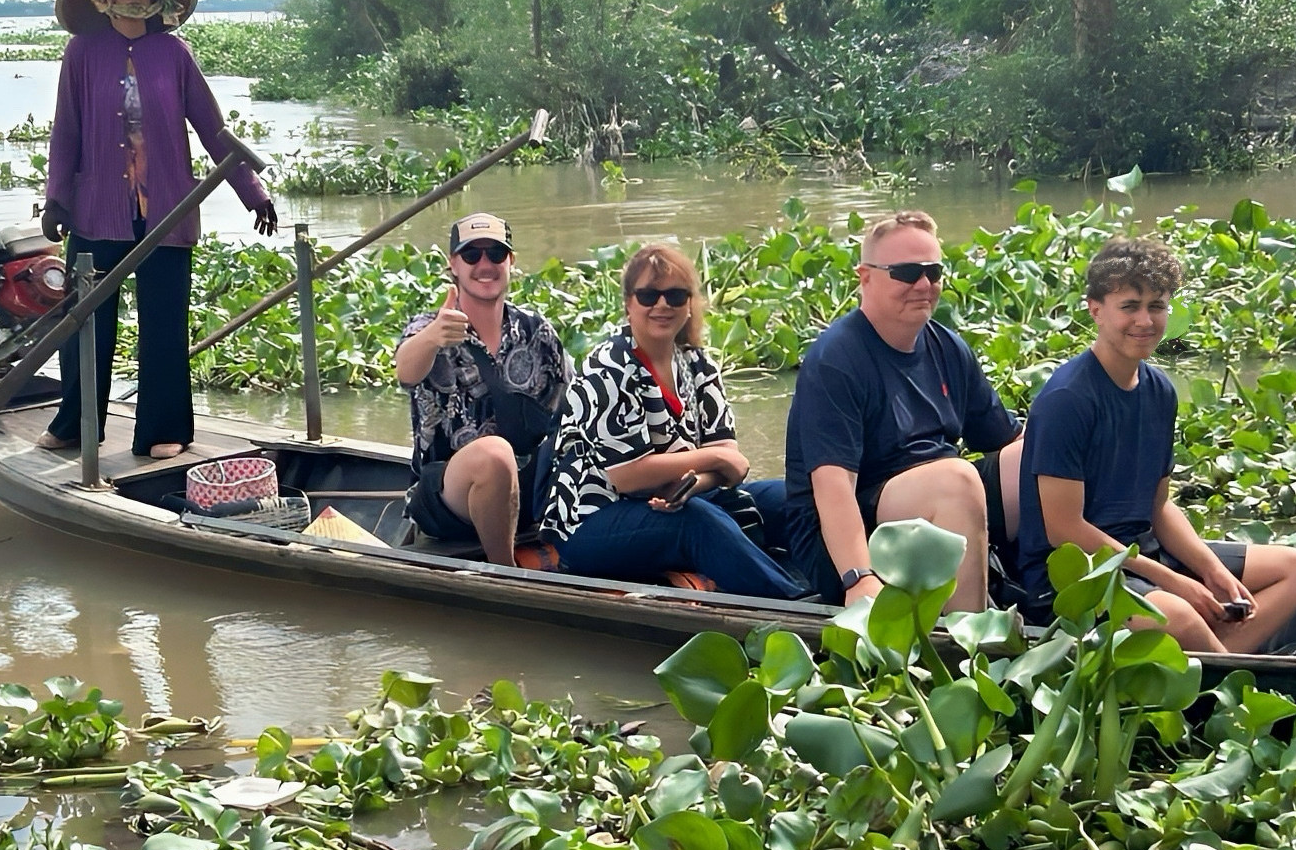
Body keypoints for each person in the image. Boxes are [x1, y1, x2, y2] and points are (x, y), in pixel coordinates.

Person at [1016, 236, 1296, 651]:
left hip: (1145, 554)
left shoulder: (1159, 390)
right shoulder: (1068, 399)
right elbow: (1065, 529)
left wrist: (1210, 570)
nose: (1145, 321)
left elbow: (1157, 506)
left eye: (1156, 306)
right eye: (1129, 307)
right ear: (1096, 311)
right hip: (1077, 576)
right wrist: (1174, 582)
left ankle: (1213, 657)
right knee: (1179, 614)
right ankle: (1223, 671)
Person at [37, 0, 278, 459]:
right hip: (96, 211)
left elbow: (214, 131)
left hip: (166, 211)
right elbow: (67, 131)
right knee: (86, 321)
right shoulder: (82, 53)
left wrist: (253, 193)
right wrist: (56, 197)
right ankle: (76, 423)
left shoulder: (174, 54)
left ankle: (162, 430)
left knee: (164, 323)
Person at [784, 211, 1023, 610]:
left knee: (1040, 454)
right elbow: (833, 486)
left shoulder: (948, 348)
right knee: (956, 481)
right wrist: (858, 578)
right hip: (849, 535)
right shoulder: (836, 359)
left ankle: (1046, 589)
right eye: (907, 272)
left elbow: (1005, 437)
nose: (923, 285)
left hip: (939, 511)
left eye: (933, 271)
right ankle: (970, 636)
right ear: (865, 277)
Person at [543, 244, 806, 599]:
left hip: (682, 499)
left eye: (675, 295)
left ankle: (847, 585)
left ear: (689, 303)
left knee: (791, 496)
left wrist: (690, 485)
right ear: (629, 304)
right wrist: (710, 463)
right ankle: (796, 607)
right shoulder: (607, 367)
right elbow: (628, 475)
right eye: (649, 295)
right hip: (594, 518)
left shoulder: (698, 364)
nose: (662, 305)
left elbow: (730, 460)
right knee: (695, 523)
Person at [396, 213, 572, 566]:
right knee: (495, 454)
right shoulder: (430, 327)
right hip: (448, 500)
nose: (485, 265)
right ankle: (503, 573)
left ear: (510, 262)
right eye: (472, 256)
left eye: (495, 253)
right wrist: (432, 338)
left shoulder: (536, 330)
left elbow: (576, 400)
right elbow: (406, 370)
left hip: (527, 494)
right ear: (453, 266)